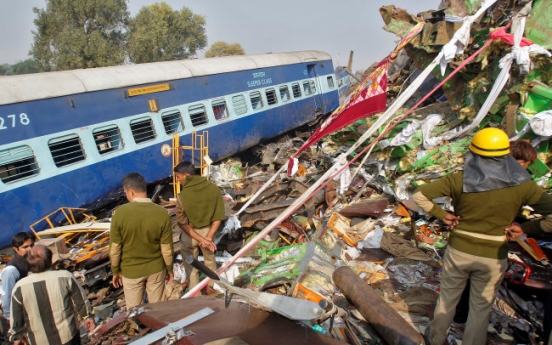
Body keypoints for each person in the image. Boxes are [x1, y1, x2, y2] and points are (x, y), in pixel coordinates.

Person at [412, 128, 548, 345]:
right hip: (494, 254)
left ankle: (435, 339)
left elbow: (419, 194)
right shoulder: (525, 185)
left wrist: (442, 215)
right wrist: (527, 229)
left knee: (447, 300)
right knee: (481, 308)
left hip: (459, 250)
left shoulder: (459, 178)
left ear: (473, 154)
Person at [453, 139, 540, 324]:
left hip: (469, 236)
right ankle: (464, 317)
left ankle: (458, 315)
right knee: (477, 282)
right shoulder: (517, 182)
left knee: (463, 279)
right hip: (488, 239)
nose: (524, 168)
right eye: (524, 163)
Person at [109, 172, 174, 308]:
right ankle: (160, 329)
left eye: (126, 192)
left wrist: (115, 271)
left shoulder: (119, 214)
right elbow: (166, 249)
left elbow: (115, 249)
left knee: (134, 312)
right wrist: (169, 269)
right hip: (156, 269)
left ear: (131, 192)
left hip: (131, 272)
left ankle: (139, 328)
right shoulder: (162, 213)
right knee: (159, 310)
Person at [9, 245, 94, 345]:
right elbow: (81, 301)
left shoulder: (19, 287)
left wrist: (17, 337)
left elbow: (16, 317)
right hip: (67, 335)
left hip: (38, 340)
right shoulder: (65, 277)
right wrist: (88, 317)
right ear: (50, 261)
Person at [174, 161, 225, 293]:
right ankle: (211, 287)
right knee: (210, 260)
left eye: (178, 177)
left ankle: (195, 294)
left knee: (191, 265)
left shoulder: (182, 196)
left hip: (190, 235)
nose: (178, 181)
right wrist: (207, 237)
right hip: (208, 231)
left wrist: (200, 239)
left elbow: (182, 223)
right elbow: (218, 217)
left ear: (186, 175)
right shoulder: (214, 189)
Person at [1, 232, 36, 320]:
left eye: (32, 245)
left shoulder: (32, 261)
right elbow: (7, 297)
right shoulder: (11, 270)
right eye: (25, 247)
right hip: (20, 314)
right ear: (16, 249)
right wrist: (10, 318)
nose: (30, 249)